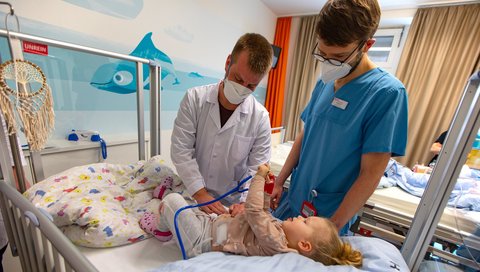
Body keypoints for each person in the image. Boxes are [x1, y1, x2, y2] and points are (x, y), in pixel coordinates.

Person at [270, 0, 408, 236]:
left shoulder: (387, 94)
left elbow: (371, 174)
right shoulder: (324, 81)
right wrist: (280, 179)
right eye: (322, 53)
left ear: (367, 45)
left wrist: (332, 227)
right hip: (293, 200)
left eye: (339, 56)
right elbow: (307, 132)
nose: (328, 62)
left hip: (327, 217)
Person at [139, 165, 363, 267]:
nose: (298, 217)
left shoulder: (277, 243)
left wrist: (259, 175)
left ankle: (159, 226)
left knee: (174, 204)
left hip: (202, 242)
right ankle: (166, 204)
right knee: (194, 204)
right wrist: (267, 189)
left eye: (305, 221)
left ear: (304, 245)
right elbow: (263, 213)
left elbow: (256, 212)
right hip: (215, 226)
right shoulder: (279, 232)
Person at [170, 33, 273, 216]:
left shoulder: (260, 117)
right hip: (193, 194)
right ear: (227, 63)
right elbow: (181, 150)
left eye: (251, 86)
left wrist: (245, 203)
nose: (242, 88)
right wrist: (200, 192)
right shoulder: (195, 99)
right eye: (238, 79)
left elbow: (257, 169)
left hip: (232, 203)